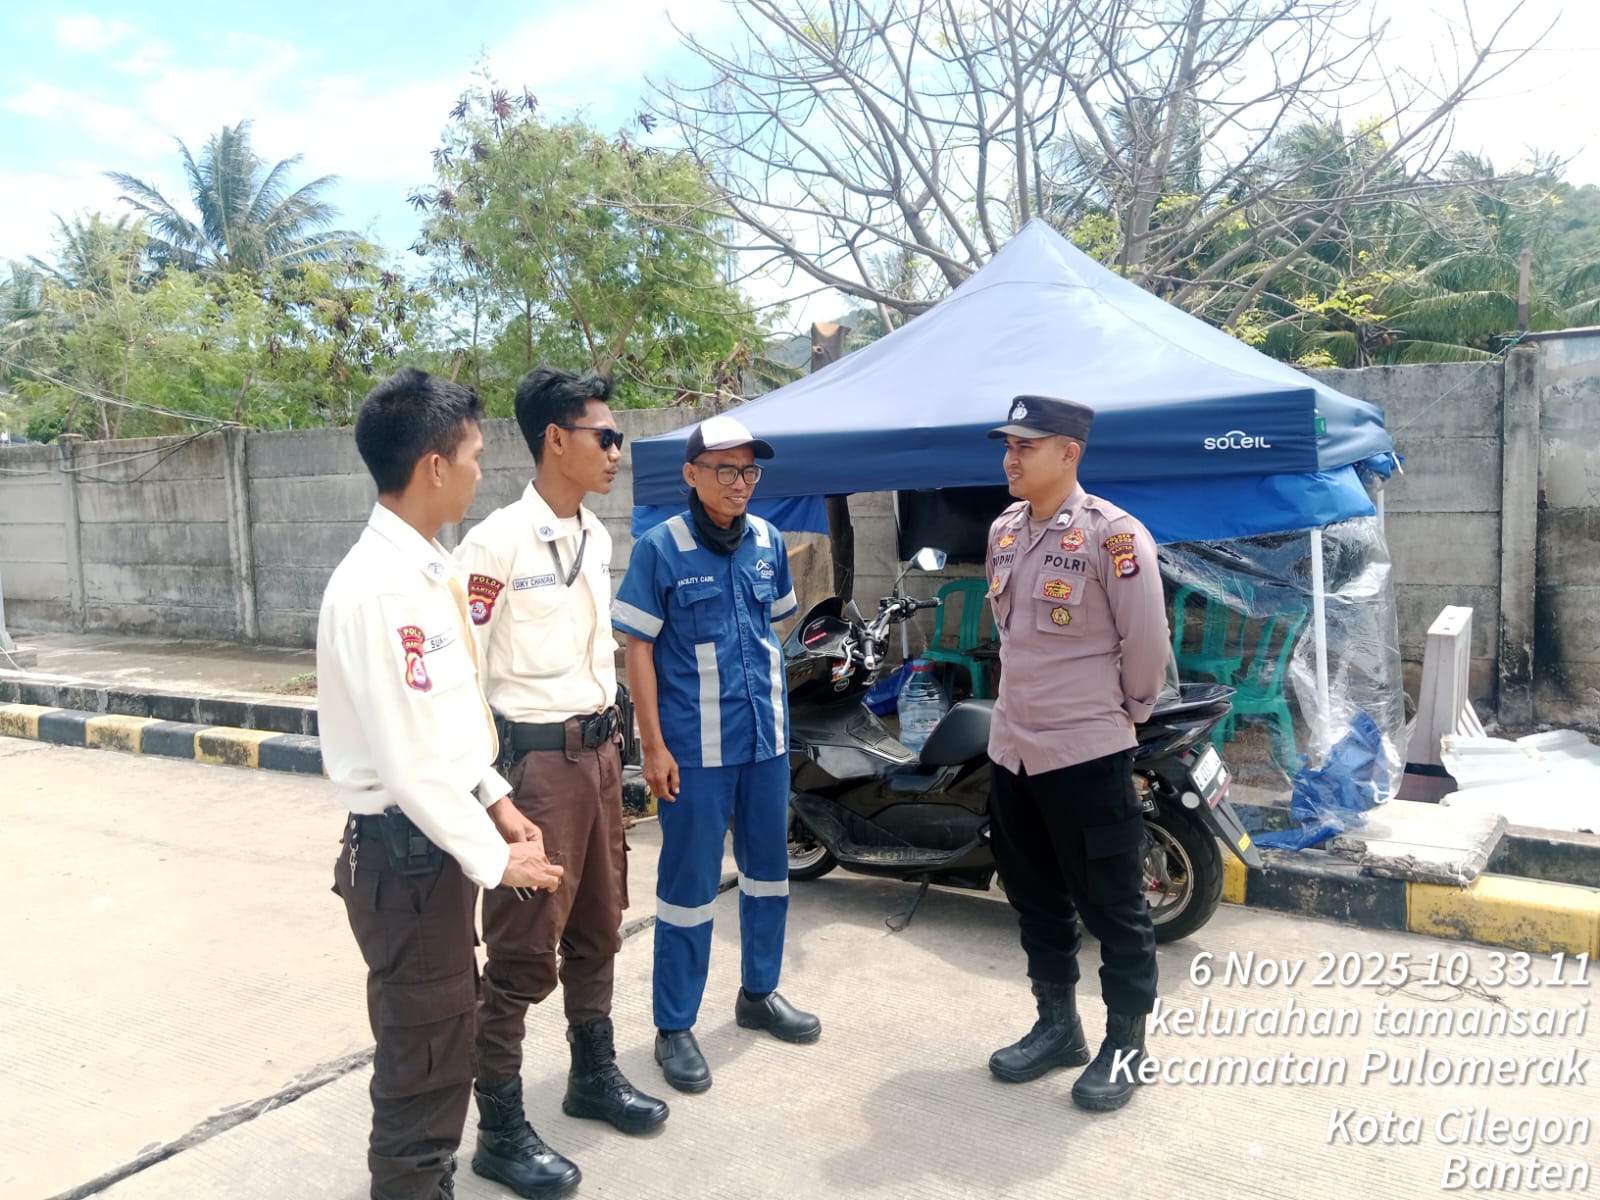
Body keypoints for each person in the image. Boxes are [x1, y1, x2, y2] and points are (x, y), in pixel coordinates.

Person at [317, 367, 566, 1200]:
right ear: (432, 466)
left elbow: (447, 726)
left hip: (430, 851)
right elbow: (409, 762)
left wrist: (496, 801)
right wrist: (497, 860)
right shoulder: (380, 589)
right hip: (408, 856)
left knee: (441, 1037)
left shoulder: (424, 571)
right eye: (472, 456)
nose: (479, 472)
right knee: (423, 1061)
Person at [453, 367, 668, 1193]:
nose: (616, 451)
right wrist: (491, 795)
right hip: (535, 768)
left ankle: (592, 1074)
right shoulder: (495, 544)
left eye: (617, 438)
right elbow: (463, 677)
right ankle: (500, 1127)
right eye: (604, 436)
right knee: (521, 948)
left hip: (599, 758)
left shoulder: (596, 537)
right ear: (554, 440)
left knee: (599, 925)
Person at [610, 413, 818, 1094]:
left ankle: (759, 993)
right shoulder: (659, 548)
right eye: (725, 469)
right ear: (692, 474)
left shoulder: (767, 540)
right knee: (689, 889)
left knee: (769, 875)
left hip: (765, 742)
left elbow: (774, 626)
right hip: (694, 751)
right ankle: (674, 1026)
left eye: (749, 470)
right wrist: (653, 747)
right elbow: (638, 650)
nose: (740, 483)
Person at [981, 394, 1170, 1114]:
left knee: (1114, 906)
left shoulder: (1113, 536)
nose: (1011, 458)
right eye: (1008, 446)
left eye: (1025, 446)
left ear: (1070, 453)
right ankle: (1057, 1025)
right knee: (1034, 897)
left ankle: (1126, 1044)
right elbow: (1012, 637)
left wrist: (1126, 716)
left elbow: (1146, 643)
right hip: (1014, 751)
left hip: (1086, 753)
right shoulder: (1003, 530)